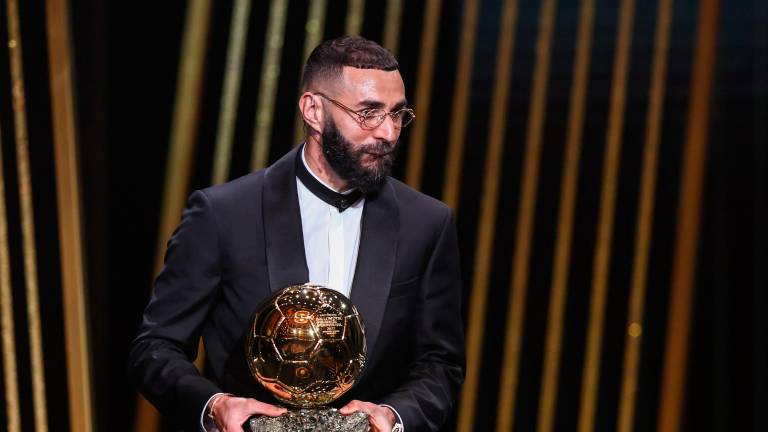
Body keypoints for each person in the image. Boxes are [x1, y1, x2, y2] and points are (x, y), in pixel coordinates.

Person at [129, 36, 464, 432]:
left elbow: (440, 363)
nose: (388, 133)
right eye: (368, 113)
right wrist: (214, 405)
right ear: (313, 110)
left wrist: (395, 417)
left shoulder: (427, 223)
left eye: (397, 114)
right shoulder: (223, 215)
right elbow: (155, 348)